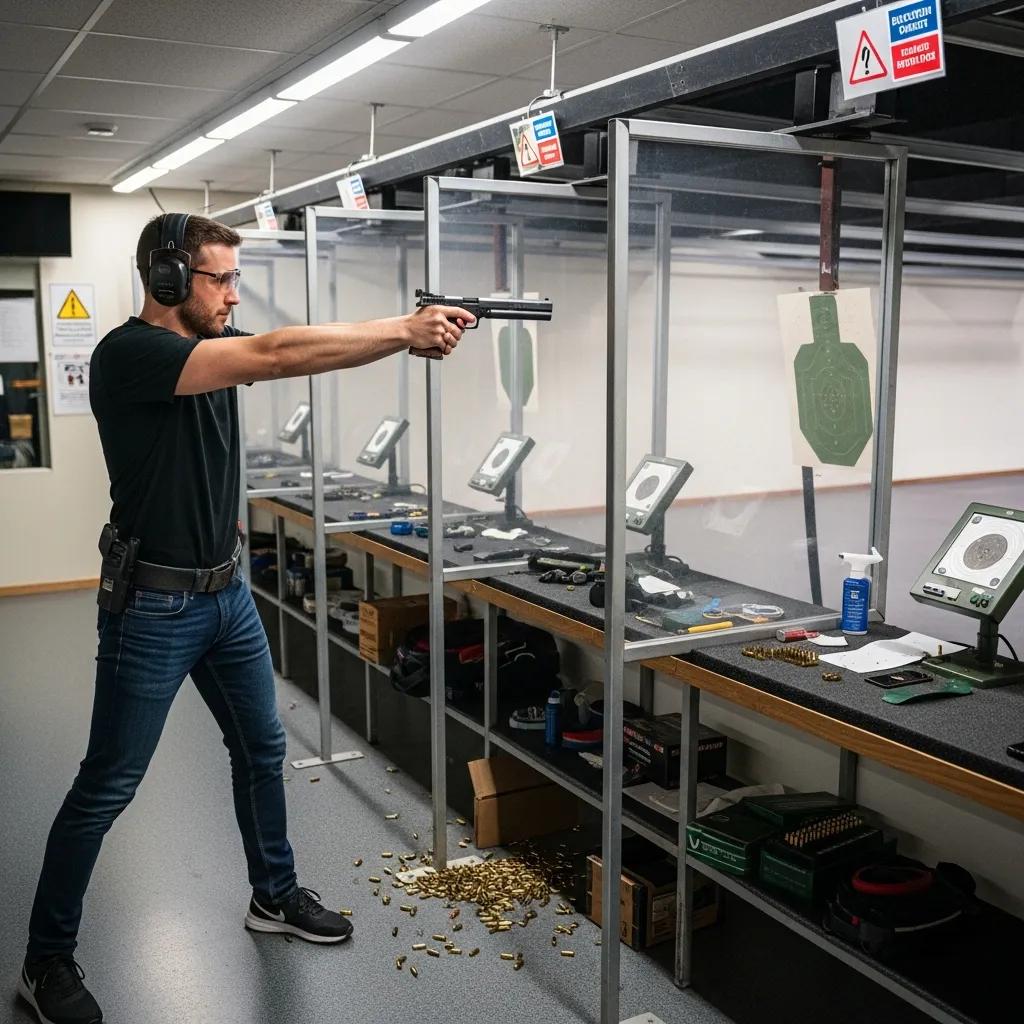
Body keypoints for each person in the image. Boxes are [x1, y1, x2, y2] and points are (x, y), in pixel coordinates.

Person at [18, 213, 473, 1024]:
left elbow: (297, 353)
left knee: (262, 750)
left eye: (235, 278)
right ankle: (45, 960)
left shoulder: (217, 346)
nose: (233, 293)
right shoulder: (128, 356)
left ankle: (273, 896)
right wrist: (405, 330)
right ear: (166, 280)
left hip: (226, 597)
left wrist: (402, 335)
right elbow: (275, 353)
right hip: (153, 605)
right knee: (107, 785)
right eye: (218, 279)